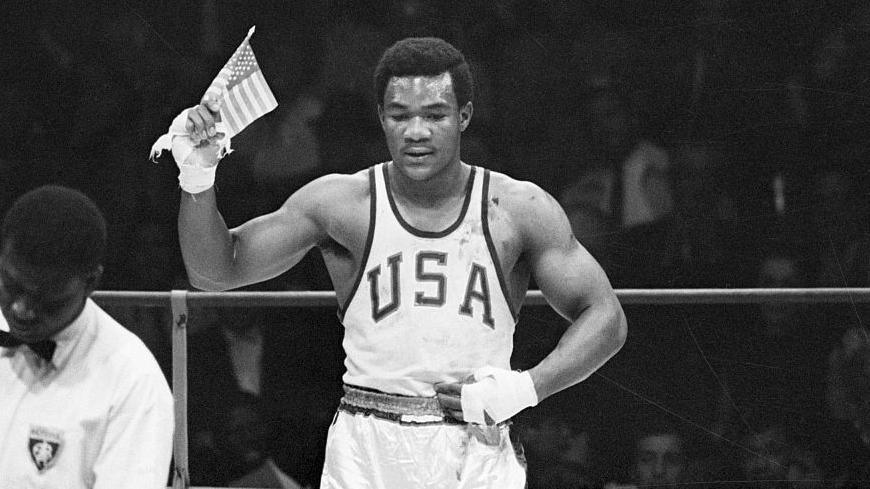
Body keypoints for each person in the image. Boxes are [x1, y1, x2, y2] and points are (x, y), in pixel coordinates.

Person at [171, 37, 626, 488]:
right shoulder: (341, 204)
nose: (416, 132)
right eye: (400, 115)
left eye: (434, 114)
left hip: (475, 449)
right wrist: (197, 174)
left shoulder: (518, 209)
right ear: (381, 118)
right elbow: (215, 272)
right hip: (365, 450)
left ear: (464, 116)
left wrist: (526, 388)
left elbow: (606, 317)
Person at [0, 185, 174, 487]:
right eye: (11, 285)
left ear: (91, 282)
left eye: (46, 298)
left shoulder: (132, 381)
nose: (21, 309)